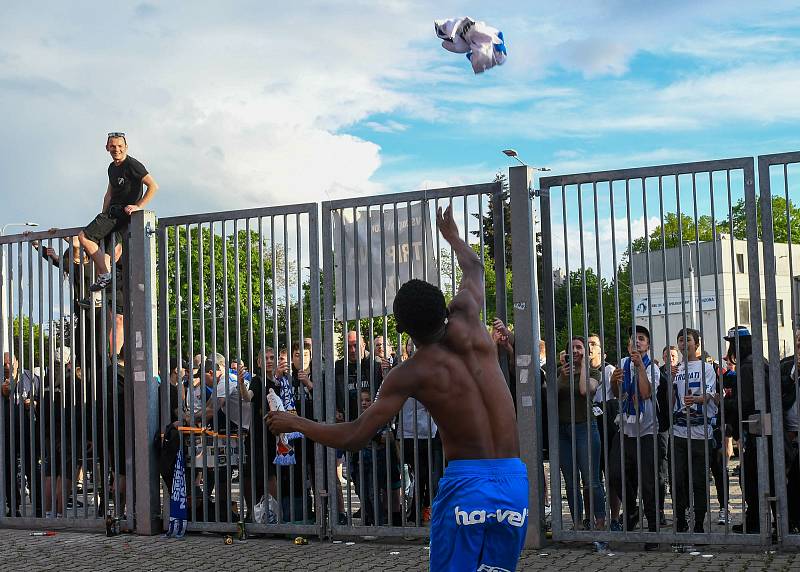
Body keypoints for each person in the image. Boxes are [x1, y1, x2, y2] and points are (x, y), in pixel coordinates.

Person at [268, 205, 527, 572]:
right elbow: (474, 267)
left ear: (405, 331)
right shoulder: (468, 313)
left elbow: (356, 435)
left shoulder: (411, 372)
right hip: (514, 480)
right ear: (444, 306)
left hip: (467, 484)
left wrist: (297, 422)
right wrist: (451, 235)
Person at [78, 132, 158, 293]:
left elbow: (153, 186)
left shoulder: (132, 165)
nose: (117, 149)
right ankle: (104, 282)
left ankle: (106, 275)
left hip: (122, 213)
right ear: (107, 148)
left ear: (126, 147)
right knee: (106, 251)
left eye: (120, 146)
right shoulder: (112, 168)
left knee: (83, 237)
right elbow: (109, 193)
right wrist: (102, 215)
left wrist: (138, 206)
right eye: (113, 146)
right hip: (111, 212)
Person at [609, 325, 661, 551]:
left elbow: (645, 393)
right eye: (633, 339)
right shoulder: (622, 363)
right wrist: (613, 381)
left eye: (641, 339)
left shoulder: (653, 368)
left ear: (648, 345)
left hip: (648, 431)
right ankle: (631, 510)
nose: (637, 342)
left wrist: (639, 366)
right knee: (614, 474)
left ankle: (653, 530)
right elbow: (616, 394)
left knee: (648, 483)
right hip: (626, 429)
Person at [556, 336, 607, 548]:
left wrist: (584, 365)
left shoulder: (594, 372)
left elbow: (587, 390)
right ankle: (576, 525)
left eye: (580, 348)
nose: (575, 351)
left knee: (591, 480)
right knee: (570, 481)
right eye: (572, 348)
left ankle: (600, 523)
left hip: (585, 427)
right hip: (562, 431)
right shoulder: (560, 373)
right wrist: (561, 375)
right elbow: (549, 394)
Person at [672, 328, 718, 536]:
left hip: (700, 432)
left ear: (697, 344)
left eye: (687, 340)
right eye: (680, 340)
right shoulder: (676, 369)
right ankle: (680, 519)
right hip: (679, 432)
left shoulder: (706, 367)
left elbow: (710, 393)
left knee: (699, 480)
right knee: (679, 479)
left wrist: (698, 399)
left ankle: (699, 522)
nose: (683, 344)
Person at [587, 333, 619, 528]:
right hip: (587, 425)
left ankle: (614, 518)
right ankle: (592, 518)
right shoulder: (580, 371)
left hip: (606, 425)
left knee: (611, 475)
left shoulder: (609, 371)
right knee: (591, 476)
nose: (590, 347)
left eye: (593, 344)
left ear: (601, 349)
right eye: (587, 344)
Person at [334, 330, 383, 421]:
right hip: (347, 420)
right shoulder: (338, 367)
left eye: (356, 346)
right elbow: (332, 393)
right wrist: (336, 410)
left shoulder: (375, 363)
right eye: (348, 346)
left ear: (363, 345)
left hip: (373, 420)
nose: (352, 350)